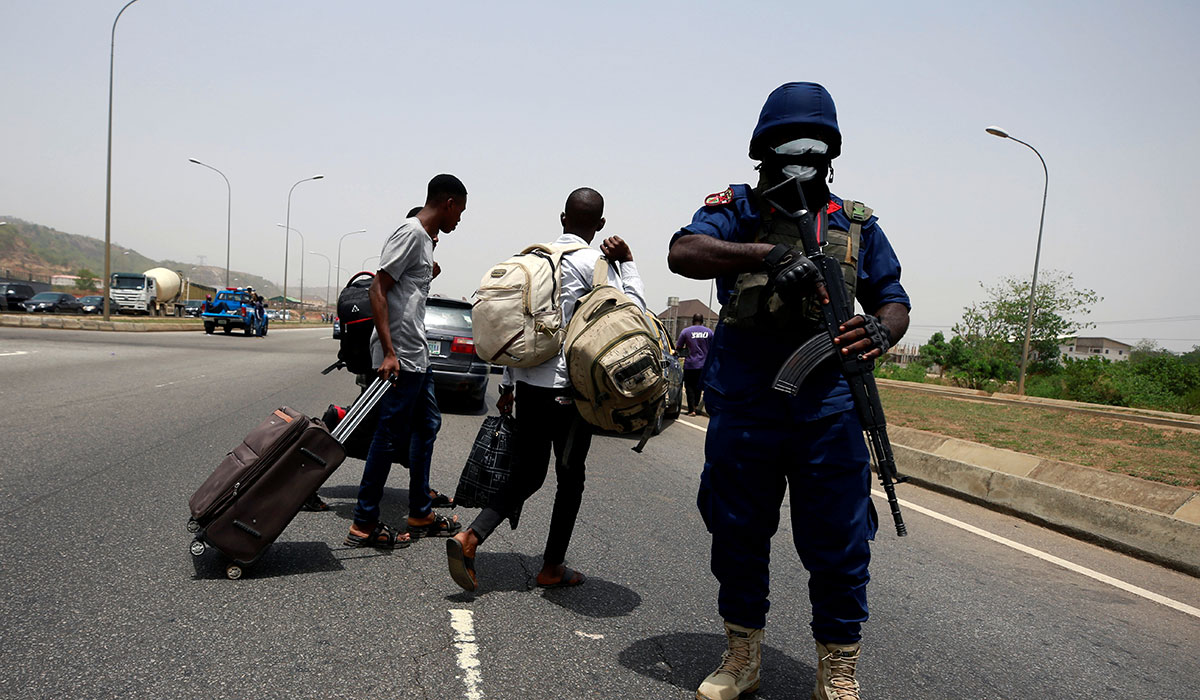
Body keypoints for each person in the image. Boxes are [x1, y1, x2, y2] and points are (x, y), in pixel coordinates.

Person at [666, 82, 910, 700]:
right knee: (739, 531)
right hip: (747, 400)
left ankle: (838, 667)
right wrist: (767, 255)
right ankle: (742, 657)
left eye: (812, 147)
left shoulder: (854, 223)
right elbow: (683, 251)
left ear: (830, 153)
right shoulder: (739, 207)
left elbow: (894, 297)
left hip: (828, 404)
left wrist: (880, 330)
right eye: (785, 146)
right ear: (763, 150)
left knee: (840, 540)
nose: (798, 158)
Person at [446, 187, 645, 591]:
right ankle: (550, 567)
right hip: (570, 393)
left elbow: (518, 327)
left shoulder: (536, 259)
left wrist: (508, 382)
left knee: (529, 473)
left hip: (529, 387)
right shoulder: (598, 264)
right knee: (570, 479)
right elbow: (634, 313)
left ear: (562, 219)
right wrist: (629, 262)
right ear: (601, 225)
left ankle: (472, 536)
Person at [344, 174, 468, 549]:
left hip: (417, 355)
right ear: (448, 203)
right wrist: (391, 352)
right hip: (401, 357)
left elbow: (406, 291)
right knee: (388, 435)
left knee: (427, 424)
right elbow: (377, 287)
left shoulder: (424, 243)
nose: (460, 220)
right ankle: (364, 523)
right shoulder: (410, 232)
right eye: (460, 211)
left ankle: (420, 511)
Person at [675, 312, 713, 416]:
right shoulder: (709, 332)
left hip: (690, 364)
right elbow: (713, 348)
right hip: (704, 365)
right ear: (702, 321)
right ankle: (696, 406)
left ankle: (691, 409)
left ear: (692, 321)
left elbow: (678, 347)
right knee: (698, 387)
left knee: (689, 387)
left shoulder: (686, 331)